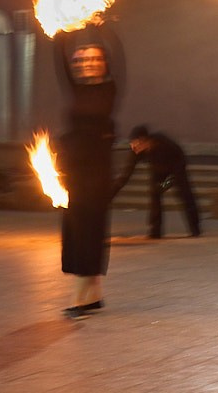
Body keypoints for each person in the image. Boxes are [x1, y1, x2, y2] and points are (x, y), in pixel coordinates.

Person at [55, 26, 123, 317]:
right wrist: (66, 27)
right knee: (75, 230)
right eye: (82, 61)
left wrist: (100, 25)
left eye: (94, 59)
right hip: (75, 171)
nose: (87, 64)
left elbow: (119, 55)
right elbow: (59, 57)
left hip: (96, 173)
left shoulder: (109, 89)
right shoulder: (77, 89)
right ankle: (94, 296)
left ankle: (79, 299)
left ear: (104, 63)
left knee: (88, 231)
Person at [114, 125, 200, 239]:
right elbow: (126, 174)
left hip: (176, 169)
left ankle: (195, 229)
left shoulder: (165, 145)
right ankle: (155, 231)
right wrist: (110, 193)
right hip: (158, 171)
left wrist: (165, 185)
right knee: (154, 194)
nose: (133, 147)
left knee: (185, 194)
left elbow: (177, 172)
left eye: (135, 143)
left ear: (144, 140)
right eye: (131, 144)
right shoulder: (137, 151)